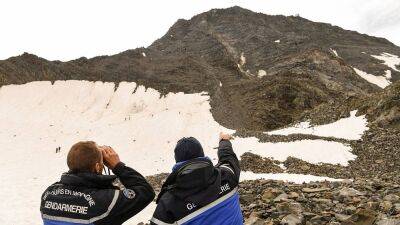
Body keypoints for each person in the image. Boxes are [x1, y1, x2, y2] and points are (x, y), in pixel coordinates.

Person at [40, 141, 155, 225]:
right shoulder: (105, 201)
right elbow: (145, 191)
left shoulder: (49, 194)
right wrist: (117, 166)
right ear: (97, 166)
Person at [151, 132, 243, 225]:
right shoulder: (227, 174)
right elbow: (228, 157)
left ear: (177, 160)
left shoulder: (168, 203)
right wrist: (224, 141)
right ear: (202, 155)